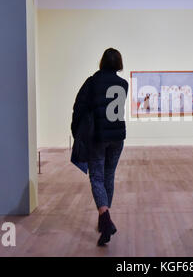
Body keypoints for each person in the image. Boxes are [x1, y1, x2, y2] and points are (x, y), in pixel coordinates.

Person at [71, 48, 128, 246]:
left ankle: (105, 218)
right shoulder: (123, 84)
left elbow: (78, 107)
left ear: (102, 62)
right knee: (108, 176)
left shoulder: (93, 82)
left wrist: (76, 132)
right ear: (119, 63)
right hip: (117, 137)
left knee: (96, 177)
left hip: (98, 137)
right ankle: (105, 219)